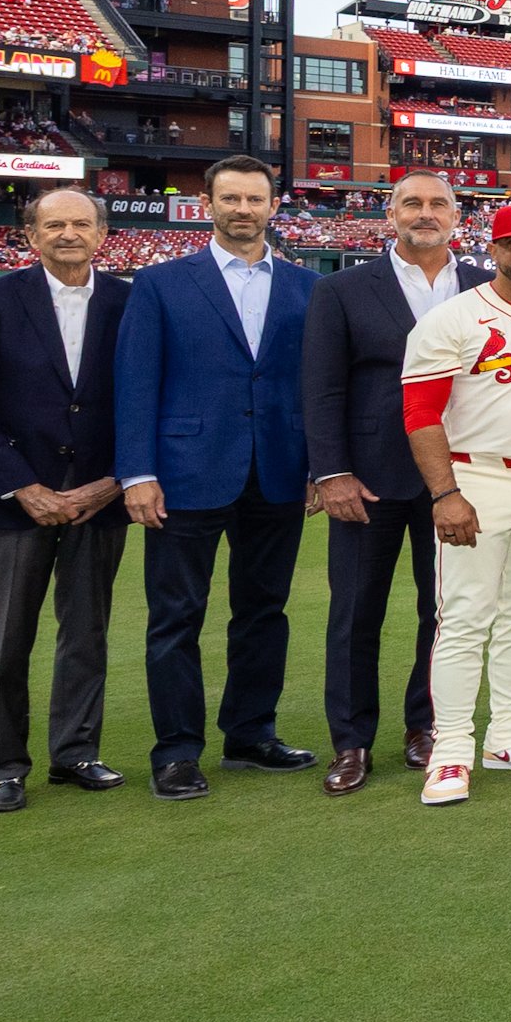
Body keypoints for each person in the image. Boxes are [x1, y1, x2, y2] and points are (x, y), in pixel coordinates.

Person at [114, 154, 318, 799]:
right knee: (176, 616)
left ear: (273, 206)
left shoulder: (305, 286)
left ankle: (251, 732)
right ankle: (176, 750)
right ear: (209, 204)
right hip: (185, 471)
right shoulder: (161, 284)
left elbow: (314, 388)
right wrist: (137, 473)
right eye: (230, 199)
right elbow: (136, 383)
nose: (242, 210)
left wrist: (320, 466)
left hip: (278, 470)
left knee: (263, 612)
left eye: (254, 199)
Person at [300, 170, 487, 796]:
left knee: (445, 612)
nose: (425, 212)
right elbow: (321, 390)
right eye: (412, 202)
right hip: (369, 480)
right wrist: (331, 474)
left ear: (457, 215)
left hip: (459, 479)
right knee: (356, 613)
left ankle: (427, 727)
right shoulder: (344, 290)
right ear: (391, 212)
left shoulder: (483, 288)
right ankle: (350, 741)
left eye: (438, 203)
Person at [0, 188, 129, 813]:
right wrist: (24, 486)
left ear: (102, 234)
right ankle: (2, 767)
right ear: (31, 234)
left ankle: (75, 753)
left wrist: (112, 481)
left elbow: (144, 399)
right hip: (10, 501)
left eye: (81, 223)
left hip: (98, 498)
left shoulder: (130, 301)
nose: (69, 233)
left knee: (86, 632)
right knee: (4, 637)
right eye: (54, 224)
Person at [398, 205, 511, 807]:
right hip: (477, 476)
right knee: (466, 618)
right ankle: (449, 750)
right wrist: (445, 494)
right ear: (492, 248)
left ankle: (509, 735)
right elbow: (420, 414)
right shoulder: (454, 317)